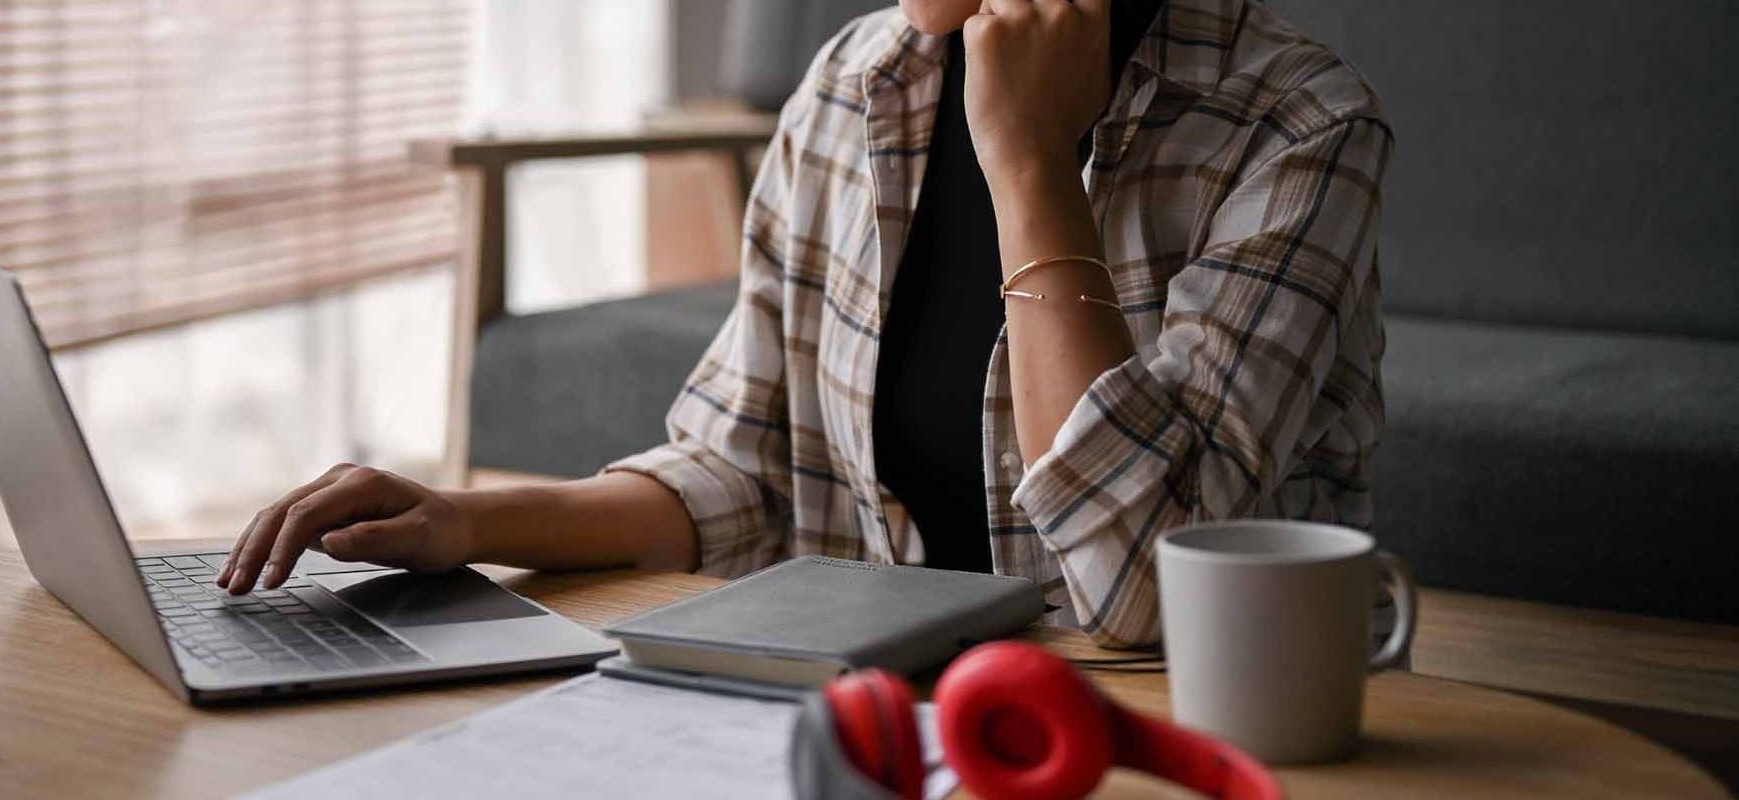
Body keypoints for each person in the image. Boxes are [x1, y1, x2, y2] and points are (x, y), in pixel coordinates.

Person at [216, 0, 1389, 648]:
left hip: (1163, 729)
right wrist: (463, 516)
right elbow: (743, 472)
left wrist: (1028, 162)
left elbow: (1144, 585)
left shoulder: (1293, 127)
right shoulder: (853, 82)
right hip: (881, 711)